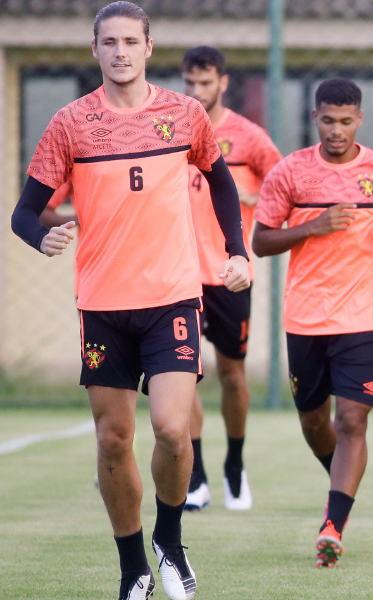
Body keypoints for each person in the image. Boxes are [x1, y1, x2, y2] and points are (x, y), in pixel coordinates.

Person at [10, 3, 251, 599]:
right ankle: (132, 569)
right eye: (109, 41)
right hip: (102, 305)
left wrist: (236, 251)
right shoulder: (69, 124)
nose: (120, 51)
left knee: (172, 430)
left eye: (130, 41)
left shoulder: (185, 113)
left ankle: (170, 542)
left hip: (172, 295)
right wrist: (45, 236)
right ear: (94, 49)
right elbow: (22, 212)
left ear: (149, 47)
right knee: (114, 439)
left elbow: (221, 182)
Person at [251, 78, 373, 568]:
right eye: (327, 120)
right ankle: (339, 482)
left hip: (362, 317)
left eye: (345, 121)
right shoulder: (290, 172)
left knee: (352, 420)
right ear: (314, 118)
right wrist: (313, 227)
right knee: (315, 420)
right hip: (306, 318)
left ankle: (333, 524)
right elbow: (260, 241)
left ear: (359, 119)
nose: (336, 130)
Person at [180, 45, 282, 513]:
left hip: (230, 273)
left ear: (223, 83)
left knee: (232, 375)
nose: (196, 91)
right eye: (189, 83)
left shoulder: (249, 136)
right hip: (177, 272)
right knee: (183, 376)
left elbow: (284, 191)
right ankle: (195, 473)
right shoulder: (171, 126)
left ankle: (235, 466)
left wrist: (247, 194)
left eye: (205, 83)